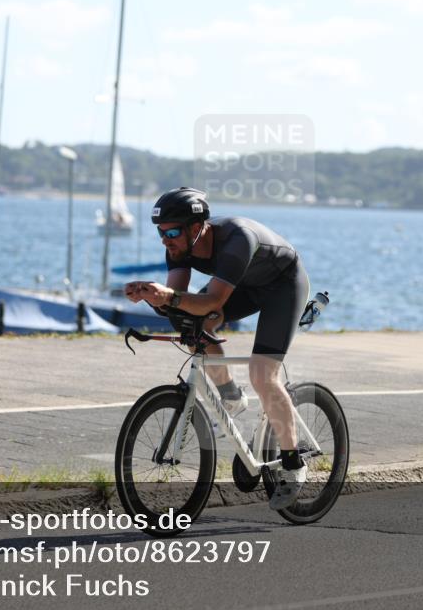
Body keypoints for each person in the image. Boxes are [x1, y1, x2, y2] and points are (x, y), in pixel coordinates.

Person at [124, 187, 311, 510]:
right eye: (160, 232)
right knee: (193, 326)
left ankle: (294, 465)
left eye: (172, 232)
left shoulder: (236, 240)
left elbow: (211, 301)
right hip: (246, 287)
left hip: (282, 286)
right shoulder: (179, 249)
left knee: (263, 374)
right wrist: (153, 297)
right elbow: (180, 305)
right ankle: (231, 395)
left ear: (197, 228)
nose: (165, 240)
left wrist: (169, 298)